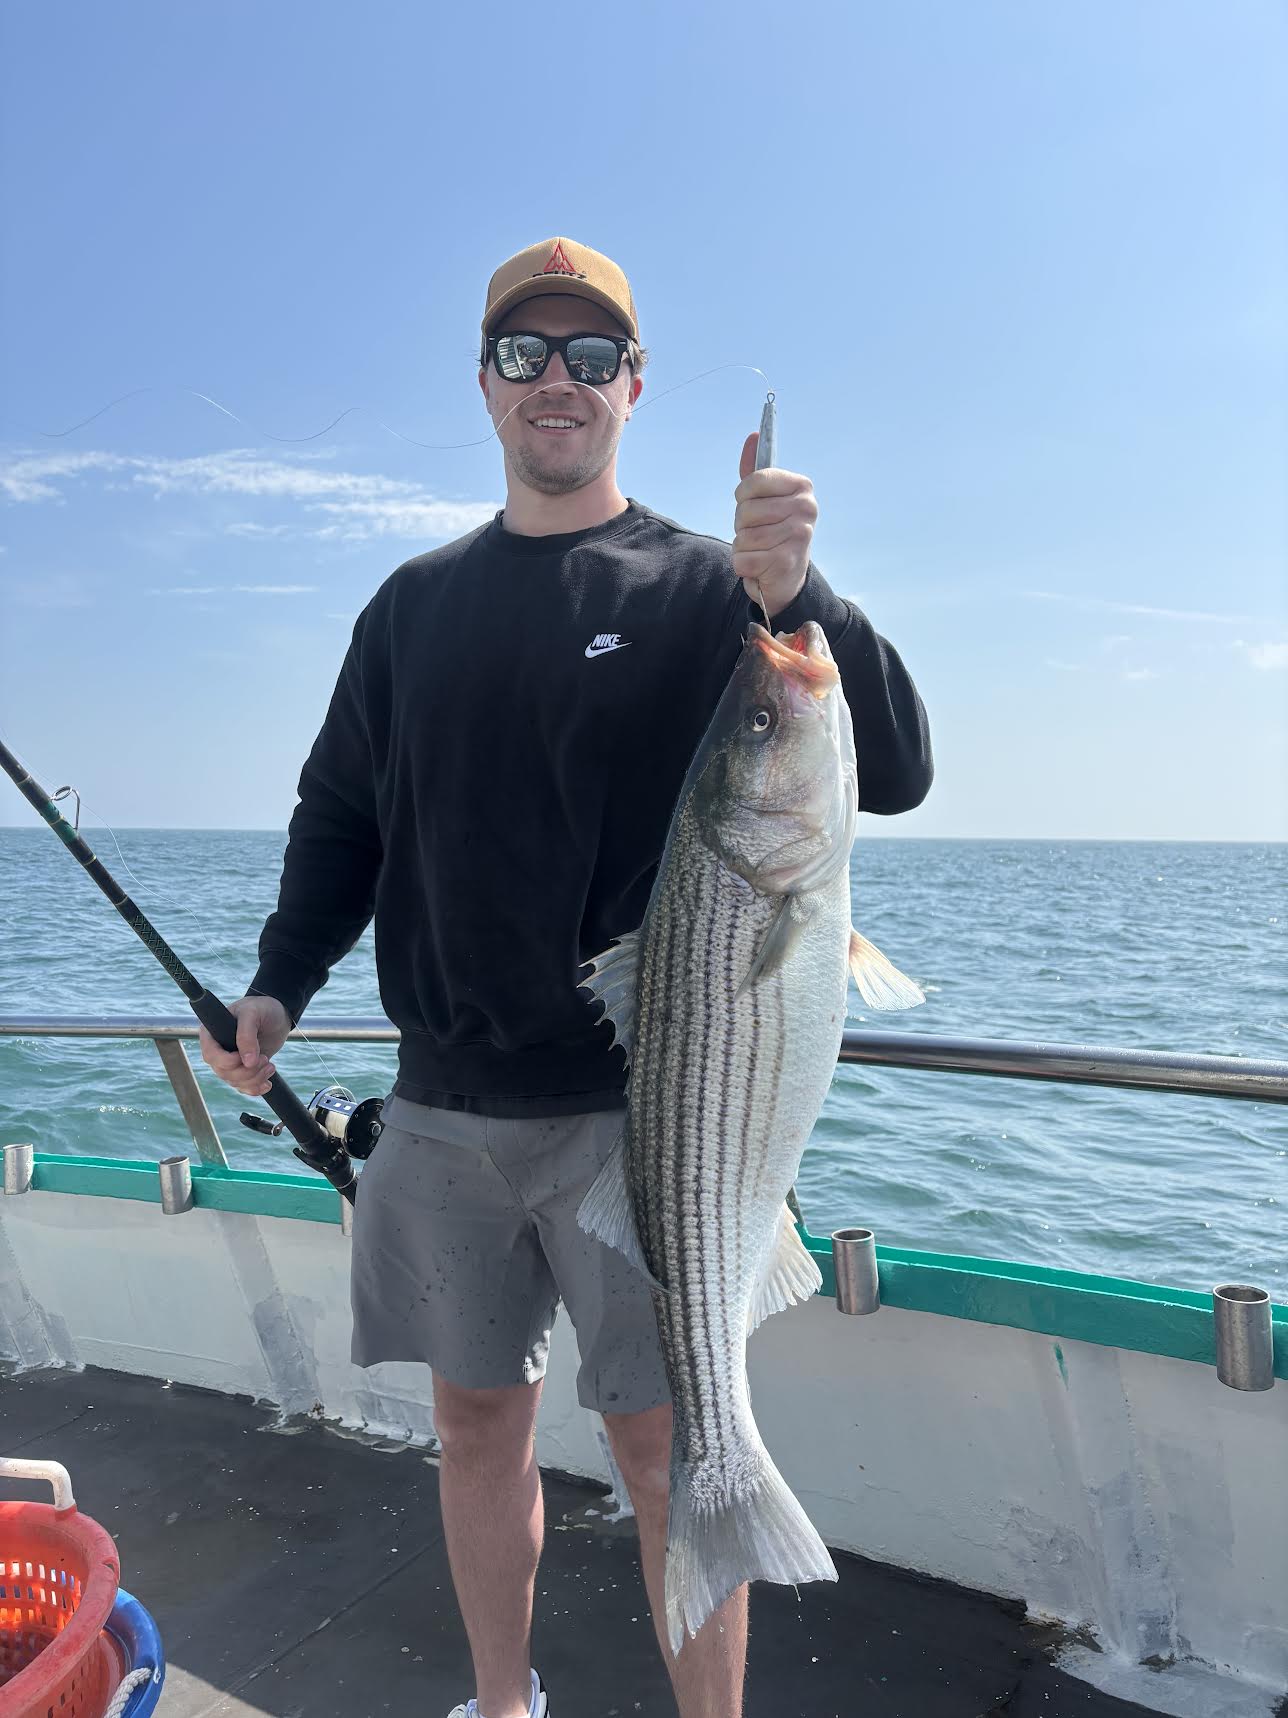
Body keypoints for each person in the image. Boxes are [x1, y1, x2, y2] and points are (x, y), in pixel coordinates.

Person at [200, 236, 933, 1718]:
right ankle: (501, 1704)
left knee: (667, 1445)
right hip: (440, 1106)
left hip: (646, 1112)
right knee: (477, 1429)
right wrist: (280, 982)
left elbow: (896, 766)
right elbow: (341, 817)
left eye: (590, 355)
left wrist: (805, 594)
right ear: (484, 383)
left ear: (632, 386)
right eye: (525, 352)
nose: (557, 379)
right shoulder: (407, 607)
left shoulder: (709, 588)